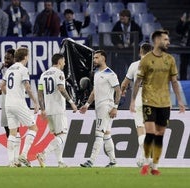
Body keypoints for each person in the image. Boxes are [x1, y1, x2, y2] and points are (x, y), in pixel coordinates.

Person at [130, 30, 185, 175]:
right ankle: (145, 163)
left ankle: (154, 166)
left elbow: (174, 81)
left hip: (164, 102)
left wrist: (179, 100)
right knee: (149, 132)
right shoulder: (146, 60)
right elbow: (138, 82)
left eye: (168, 39)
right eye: (165, 40)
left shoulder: (170, 60)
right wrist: (133, 100)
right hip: (149, 101)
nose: (168, 42)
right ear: (156, 41)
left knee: (159, 134)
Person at [79, 50, 121, 168]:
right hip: (99, 106)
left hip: (105, 106)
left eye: (96, 58)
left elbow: (118, 90)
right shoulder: (97, 73)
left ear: (103, 58)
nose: (94, 60)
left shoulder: (110, 74)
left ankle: (91, 161)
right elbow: (94, 91)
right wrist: (87, 105)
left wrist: (115, 107)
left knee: (99, 133)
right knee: (107, 134)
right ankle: (113, 161)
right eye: (94, 58)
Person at [36, 53, 78, 168]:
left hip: (48, 110)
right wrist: (71, 102)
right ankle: (43, 154)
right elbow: (61, 88)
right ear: (59, 61)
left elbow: (40, 94)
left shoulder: (43, 74)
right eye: (64, 61)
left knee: (57, 136)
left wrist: (43, 109)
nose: (64, 64)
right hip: (58, 109)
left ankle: (60, 162)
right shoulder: (59, 73)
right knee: (63, 136)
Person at [1, 47, 39, 167]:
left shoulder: (9, 69)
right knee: (33, 128)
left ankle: (12, 161)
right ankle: (23, 154)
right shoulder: (23, 69)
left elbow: (2, 86)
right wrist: (35, 102)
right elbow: (27, 87)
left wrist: (11, 94)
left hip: (8, 103)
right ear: (26, 57)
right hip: (19, 102)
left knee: (13, 133)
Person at [120, 42, 152, 167]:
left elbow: (124, 83)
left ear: (140, 52)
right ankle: (145, 157)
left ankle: (145, 157)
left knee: (141, 129)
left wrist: (122, 92)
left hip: (139, 101)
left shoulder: (134, 65)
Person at [0, 48, 21, 167]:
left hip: (14, 101)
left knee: (15, 129)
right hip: (4, 102)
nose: (6, 60)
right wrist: (1, 92)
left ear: (15, 58)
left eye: (8, 58)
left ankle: (16, 158)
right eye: (5, 58)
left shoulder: (19, 70)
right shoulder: (4, 68)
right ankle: (13, 159)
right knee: (7, 129)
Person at [111, 9, 143, 83]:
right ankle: (122, 84)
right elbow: (113, 37)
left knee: (132, 68)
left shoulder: (135, 25)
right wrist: (117, 44)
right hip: (121, 51)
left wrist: (135, 42)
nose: (122, 20)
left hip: (132, 51)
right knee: (120, 69)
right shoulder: (117, 25)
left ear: (128, 17)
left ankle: (134, 83)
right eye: (121, 18)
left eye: (124, 18)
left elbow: (140, 36)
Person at [176, 12, 190, 80]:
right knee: (183, 65)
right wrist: (181, 20)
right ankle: (183, 81)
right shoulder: (186, 23)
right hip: (185, 46)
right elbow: (178, 30)